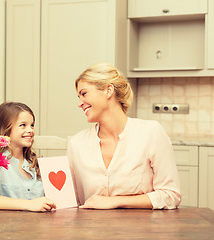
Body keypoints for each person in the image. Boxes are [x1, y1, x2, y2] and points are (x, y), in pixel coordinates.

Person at [67, 63, 181, 210]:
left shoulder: (151, 133)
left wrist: (116, 201)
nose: (79, 103)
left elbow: (171, 195)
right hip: (91, 230)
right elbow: (70, 202)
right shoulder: (76, 144)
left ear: (108, 91)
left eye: (84, 94)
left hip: (141, 230)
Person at [0, 102, 56, 212]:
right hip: (8, 226)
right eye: (23, 125)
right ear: (6, 128)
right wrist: (29, 204)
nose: (30, 130)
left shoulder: (35, 163)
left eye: (32, 125)